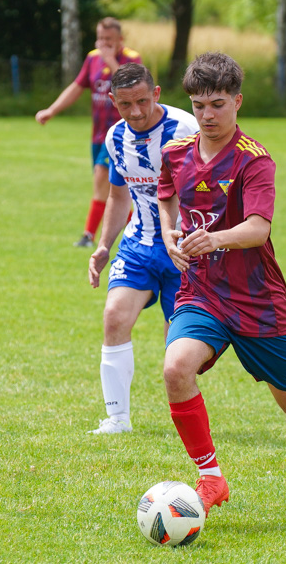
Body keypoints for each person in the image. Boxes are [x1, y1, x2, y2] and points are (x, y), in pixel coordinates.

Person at [157, 52, 286, 518]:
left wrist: (213, 238)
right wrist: (170, 234)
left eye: (218, 105)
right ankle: (210, 478)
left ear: (238, 102)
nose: (207, 115)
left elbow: (257, 229)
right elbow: (166, 196)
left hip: (257, 302)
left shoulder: (254, 160)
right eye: (200, 104)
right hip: (201, 292)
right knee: (175, 369)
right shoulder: (175, 154)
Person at [87, 63, 199, 434]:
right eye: (125, 104)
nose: (135, 112)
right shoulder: (115, 137)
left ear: (157, 93)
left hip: (185, 250)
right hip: (139, 245)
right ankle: (117, 420)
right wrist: (104, 246)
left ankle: (184, 422)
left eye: (142, 101)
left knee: (179, 348)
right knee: (114, 317)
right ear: (112, 101)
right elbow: (120, 197)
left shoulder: (186, 131)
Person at [35, 17, 141, 248]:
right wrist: (52, 110)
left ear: (120, 39)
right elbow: (77, 86)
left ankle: (89, 235)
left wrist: (111, 61)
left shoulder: (131, 60)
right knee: (108, 185)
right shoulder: (93, 58)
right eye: (100, 38)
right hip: (98, 134)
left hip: (122, 133)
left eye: (109, 39)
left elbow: (132, 85)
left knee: (103, 176)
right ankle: (134, 228)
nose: (103, 43)